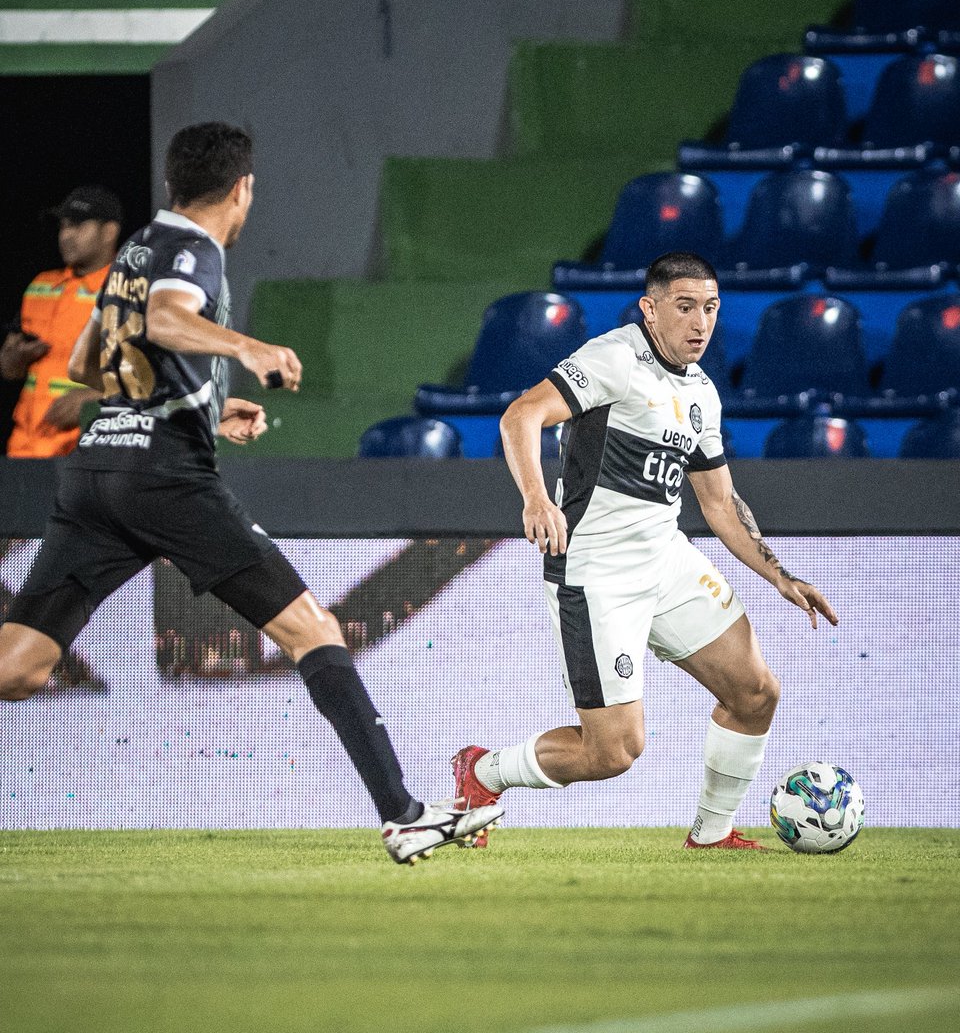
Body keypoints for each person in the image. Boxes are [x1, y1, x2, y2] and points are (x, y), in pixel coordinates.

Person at [0, 121, 500, 865]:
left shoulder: (136, 247)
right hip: (165, 480)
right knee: (313, 630)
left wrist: (203, 404)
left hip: (96, 471)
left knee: (17, 668)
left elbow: (85, 362)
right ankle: (404, 815)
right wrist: (249, 349)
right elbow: (170, 320)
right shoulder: (194, 250)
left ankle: (404, 812)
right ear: (242, 189)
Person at [453, 251, 837, 850]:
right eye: (685, 308)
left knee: (755, 692)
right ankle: (482, 773)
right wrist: (535, 497)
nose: (700, 324)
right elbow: (521, 416)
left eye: (710, 309)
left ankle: (712, 836)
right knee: (614, 752)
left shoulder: (704, 393)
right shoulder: (614, 360)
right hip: (597, 574)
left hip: (666, 559)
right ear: (650, 309)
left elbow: (719, 503)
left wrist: (778, 574)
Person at [1, 187, 123, 458]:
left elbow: (156, 379)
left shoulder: (126, 291)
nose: (66, 235)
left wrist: (93, 400)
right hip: (24, 449)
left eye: (78, 225)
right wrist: (15, 359)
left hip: (86, 451)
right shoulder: (41, 286)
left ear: (109, 232)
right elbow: (8, 370)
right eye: (64, 226)